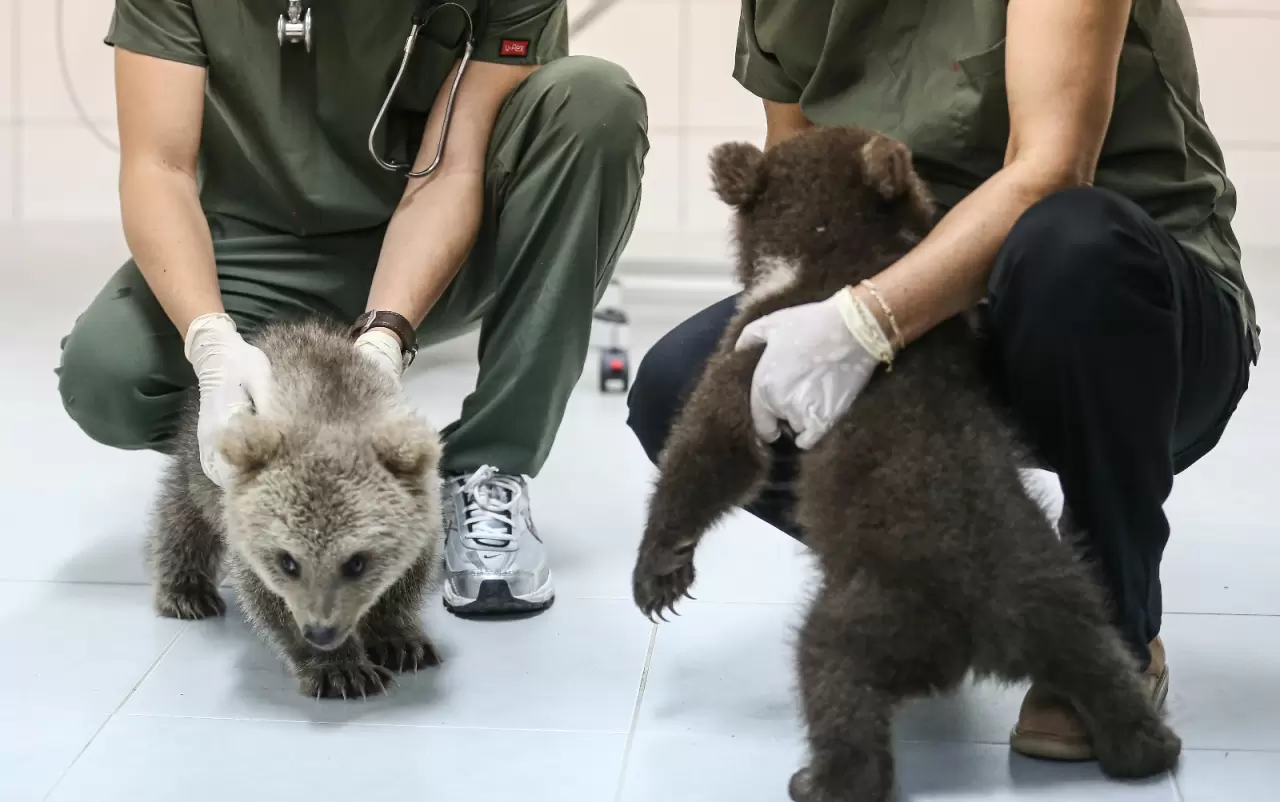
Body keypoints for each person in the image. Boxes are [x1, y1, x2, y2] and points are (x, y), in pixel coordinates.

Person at [627, 0, 1258, 763]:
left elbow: (1052, 169)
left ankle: (1110, 618)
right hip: (918, 297)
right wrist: (785, 342)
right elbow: (802, 190)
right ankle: (923, 598)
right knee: (678, 389)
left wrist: (862, 324)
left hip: (1127, 312)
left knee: (1072, 247)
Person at [56, 0, 649, 617]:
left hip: (448, 242)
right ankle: (284, 479)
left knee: (593, 101)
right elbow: (159, 166)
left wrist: (385, 334)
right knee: (109, 377)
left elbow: (449, 172)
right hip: (259, 248)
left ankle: (487, 469)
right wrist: (210, 342)